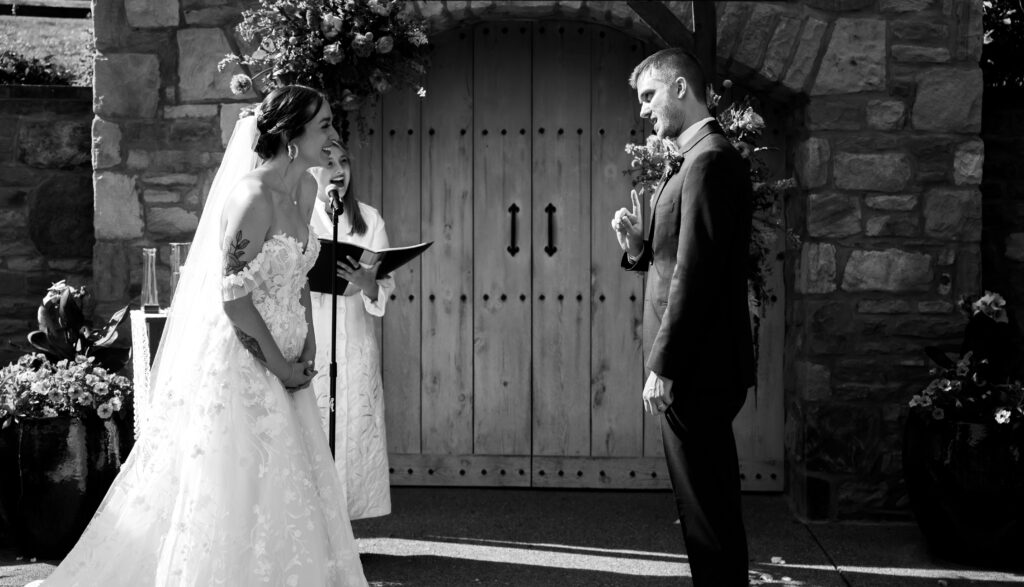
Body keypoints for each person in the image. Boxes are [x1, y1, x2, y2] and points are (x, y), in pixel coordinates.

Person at [28, 86, 368, 586]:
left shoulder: (308, 191)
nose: (335, 136)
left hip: (293, 358)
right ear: (291, 138)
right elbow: (232, 297)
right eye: (325, 126)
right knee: (242, 483)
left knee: (290, 483)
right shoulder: (253, 197)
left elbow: (296, 276)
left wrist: (309, 344)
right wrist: (278, 364)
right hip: (247, 363)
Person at [611, 48, 754, 586]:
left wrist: (664, 364)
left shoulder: (710, 159)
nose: (644, 109)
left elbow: (700, 273)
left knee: (708, 513)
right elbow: (677, 258)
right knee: (701, 510)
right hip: (695, 364)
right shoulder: (693, 159)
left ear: (678, 89)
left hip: (699, 368)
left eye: (649, 96)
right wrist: (638, 247)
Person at [304, 141, 394, 520]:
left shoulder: (369, 219)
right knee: (313, 430)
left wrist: (366, 281)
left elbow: (383, 287)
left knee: (352, 432)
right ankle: (311, 527)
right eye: (328, 162)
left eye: (343, 161)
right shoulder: (299, 216)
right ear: (312, 171)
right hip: (314, 340)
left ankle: (343, 529)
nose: (338, 169)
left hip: (355, 342)